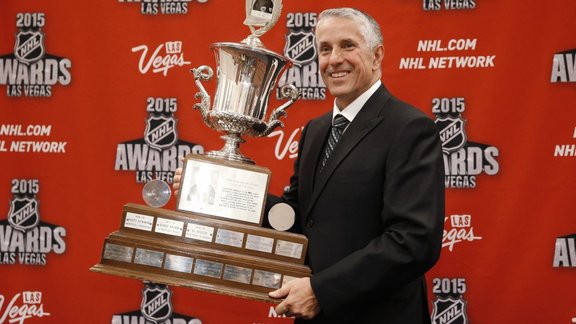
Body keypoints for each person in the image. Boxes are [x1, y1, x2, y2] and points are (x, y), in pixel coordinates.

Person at [174, 7, 444, 323]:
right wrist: (227, 199)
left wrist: (321, 291)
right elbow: (297, 217)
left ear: (376, 55)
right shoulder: (316, 130)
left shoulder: (409, 128)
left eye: (348, 45)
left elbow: (414, 241)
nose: (334, 59)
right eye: (324, 49)